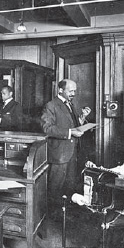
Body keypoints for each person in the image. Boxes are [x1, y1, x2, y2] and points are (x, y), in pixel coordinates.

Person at [41, 79, 92, 216]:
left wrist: (82, 118)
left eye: (75, 91)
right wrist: (70, 133)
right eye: (71, 91)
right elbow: (47, 128)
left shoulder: (70, 104)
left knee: (69, 187)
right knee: (55, 189)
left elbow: (73, 125)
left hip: (71, 153)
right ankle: (52, 219)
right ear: (60, 90)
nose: (73, 94)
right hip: (59, 155)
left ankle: (64, 218)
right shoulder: (51, 105)